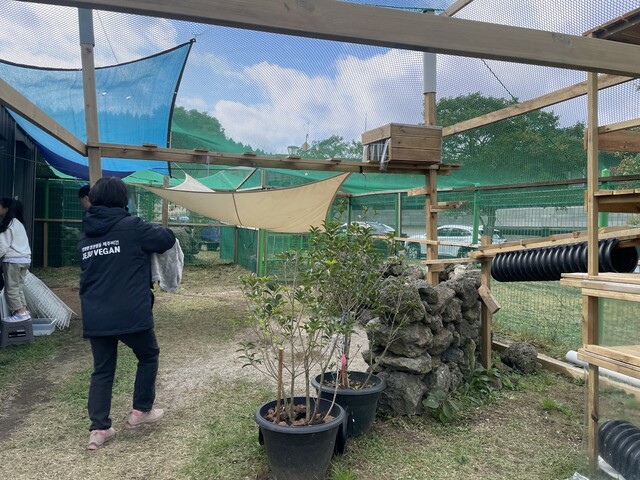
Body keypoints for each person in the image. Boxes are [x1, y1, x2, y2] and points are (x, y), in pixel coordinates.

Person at [78, 177, 175, 451]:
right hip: (130, 311)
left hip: (96, 314)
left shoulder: (86, 235)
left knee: (102, 370)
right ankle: (140, 412)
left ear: (94, 199)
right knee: (148, 355)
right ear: (124, 200)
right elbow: (166, 238)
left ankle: (98, 429)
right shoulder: (132, 227)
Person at [0, 198, 31, 322]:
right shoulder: (18, 223)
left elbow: (2, 246)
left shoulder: (7, 225)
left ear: (6, 209)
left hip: (13, 261)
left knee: (11, 289)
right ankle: (24, 311)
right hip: (24, 260)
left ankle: (20, 313)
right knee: (18, 288)